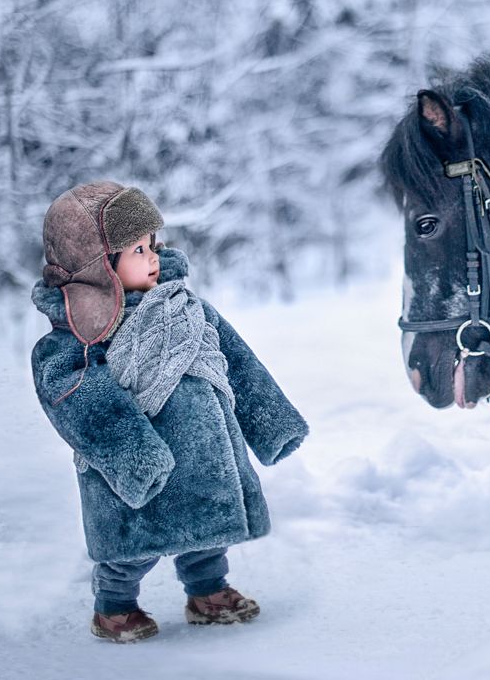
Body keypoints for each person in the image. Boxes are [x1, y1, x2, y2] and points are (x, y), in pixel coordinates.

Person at [30, 181, 308, 643]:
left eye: (153, 244)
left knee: (210, 529)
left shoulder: (186, 308)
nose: (154, 257)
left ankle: (208, 590)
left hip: (209, 456)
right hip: (141, 467)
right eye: (138, 250)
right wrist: (135, 458)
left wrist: (272, 423)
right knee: (131, 546)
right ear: (99, 266)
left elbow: (237, 362)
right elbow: (81, 402)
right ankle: (114, 605)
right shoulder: (75, 340)